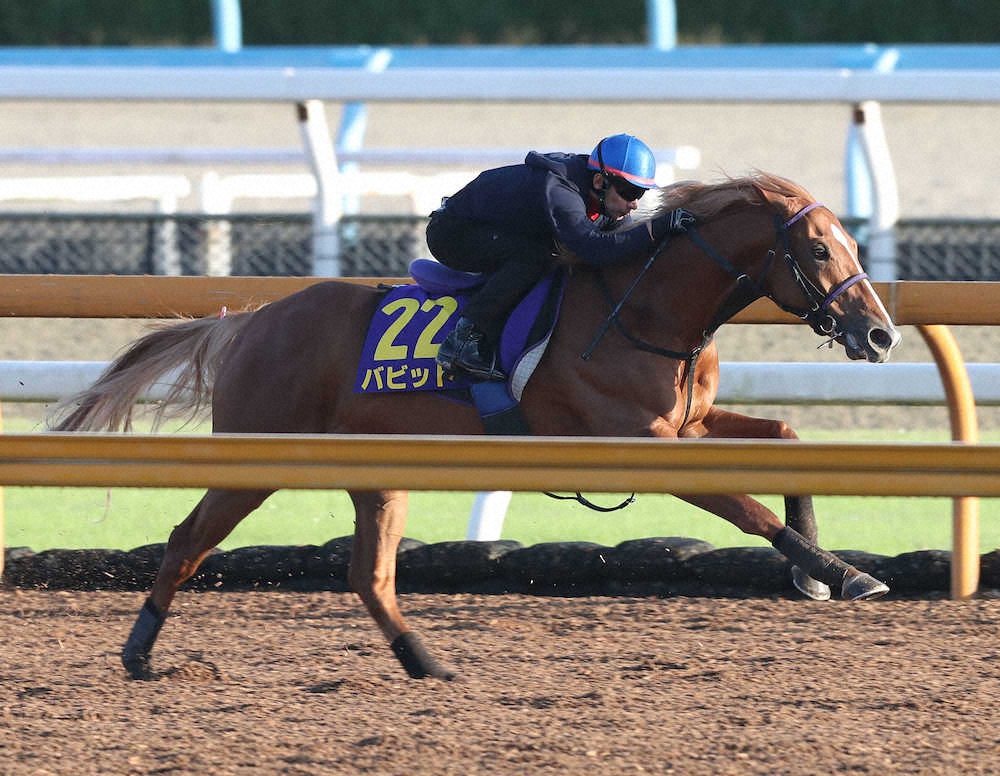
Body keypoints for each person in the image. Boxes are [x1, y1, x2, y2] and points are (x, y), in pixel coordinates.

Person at [427, 133, 695, 382]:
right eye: (629, 193)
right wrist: (655, 228)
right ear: (599, 182)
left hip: (498, 230)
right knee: (536, 257)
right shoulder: (560, 190)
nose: (634, 204)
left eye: (640, 194)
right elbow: (594, 248)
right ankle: (463, 340)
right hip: (451, 233)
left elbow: (621, 242)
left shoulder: (599, 195)